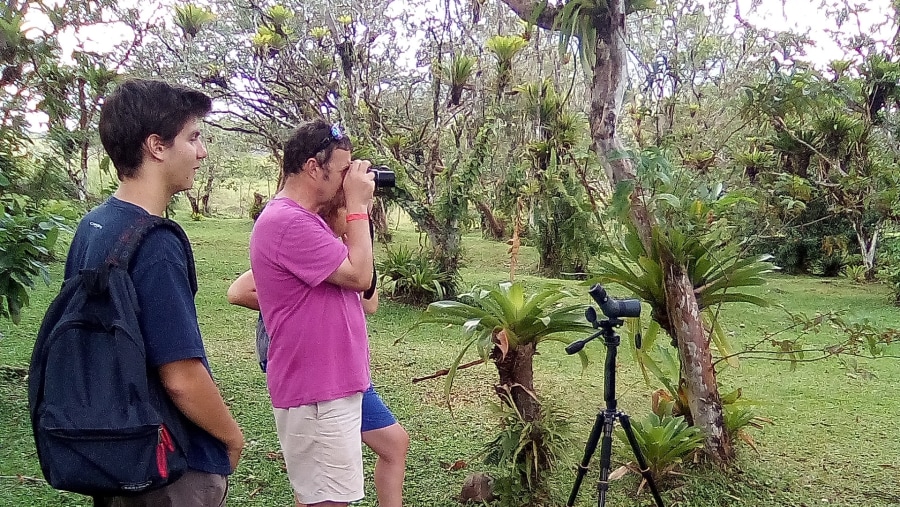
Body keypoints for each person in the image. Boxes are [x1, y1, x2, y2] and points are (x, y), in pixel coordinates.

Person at [63, 79, 243, 506]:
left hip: (114, 446)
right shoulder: (156, 243)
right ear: (156, 147)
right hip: (169, 459)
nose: (201, 153)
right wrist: (231, 438)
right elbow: (180, 377)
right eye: (193, 137)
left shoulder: (94, 225)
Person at [228, 203, 408, 507]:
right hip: (318, 374)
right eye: (349, 209)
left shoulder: (344, 256)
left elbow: (370, 304)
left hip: (349, 372)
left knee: (394, 444)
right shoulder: (305, 246)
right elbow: (237, 291)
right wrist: (291, 307)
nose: (357, 215)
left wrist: (359, 248)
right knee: (321, 488)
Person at [248, 120, 375, 507]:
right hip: (318, 394)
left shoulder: (305, 220)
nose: (346, 181)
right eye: (341, 172)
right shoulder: (287, 222)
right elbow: (360, 275)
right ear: (312, 168)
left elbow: (365, 291)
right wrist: (357, 207)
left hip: (327, 388)